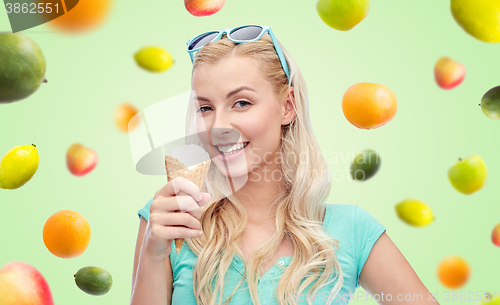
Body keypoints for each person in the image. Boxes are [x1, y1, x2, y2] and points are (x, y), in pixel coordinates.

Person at [130, 25, 440, 305]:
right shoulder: (171, 221)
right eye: (206, 107)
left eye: (241, 103)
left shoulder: (352, 231)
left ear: (287, 107)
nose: (218, 126)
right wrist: (154, 252)